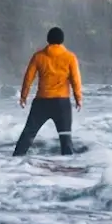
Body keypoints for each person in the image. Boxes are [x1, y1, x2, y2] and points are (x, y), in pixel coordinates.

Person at [14, 26, 83, 155]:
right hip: (62, 103)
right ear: (62, 40)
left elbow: (28, 77)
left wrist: (23, 96)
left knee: (28, 134)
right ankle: (68, 170)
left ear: (48, 39)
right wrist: (78, 98)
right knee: (65, 139)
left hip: (42, 102)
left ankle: (11, 165)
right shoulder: (70, 57)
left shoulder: (38, 56)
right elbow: (75, 80)